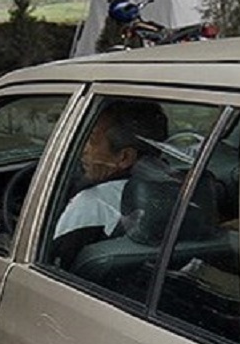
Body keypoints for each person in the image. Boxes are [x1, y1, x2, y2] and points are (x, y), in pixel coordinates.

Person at [54, 99, 169, 241]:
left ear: (124, 157)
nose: (82, 150)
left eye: (91, 140)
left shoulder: (92, 204)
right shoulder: (179, 193)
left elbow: (55, 258)